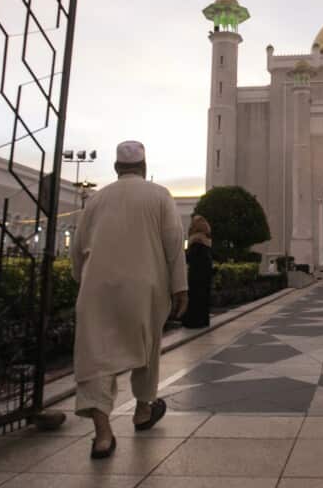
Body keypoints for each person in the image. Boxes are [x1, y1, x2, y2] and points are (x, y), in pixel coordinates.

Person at [70, 140, 186, 460]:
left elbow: (77, 250)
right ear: (144, 167)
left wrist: (83, 281)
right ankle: (143, 410)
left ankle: (103, 435)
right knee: (146, 349)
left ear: (116, 168)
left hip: (98, 286)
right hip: (144, 286)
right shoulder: (159, 195)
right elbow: (174, 243)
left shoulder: (96, 199)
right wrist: (180, 288)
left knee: (96, 356)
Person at [181, 215, 214, 328]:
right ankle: (203, 320)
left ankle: (193, 321)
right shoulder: (207, 240)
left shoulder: (195, 239)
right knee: (203, 296)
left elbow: (190, 257)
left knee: (194, 297)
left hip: (195, 272)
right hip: (206, 272)